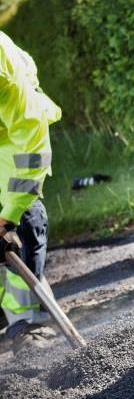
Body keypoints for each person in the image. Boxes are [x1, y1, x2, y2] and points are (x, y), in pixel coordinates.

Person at [0, 30, 61, 352]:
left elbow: (32, 149)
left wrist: (7, 217)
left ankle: (30, 326)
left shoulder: (3, 70)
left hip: (13, 151)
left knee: (22, 228)